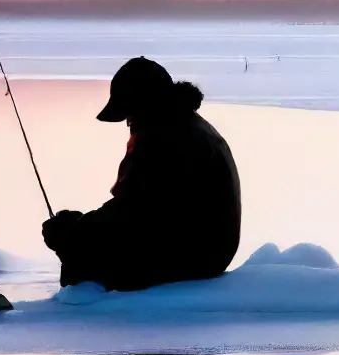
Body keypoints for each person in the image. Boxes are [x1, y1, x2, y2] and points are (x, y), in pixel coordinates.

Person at [41, 57, 241, 291]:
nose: (129, 122)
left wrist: (75, 232)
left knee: (80, 256)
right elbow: (142, 207)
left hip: (193, 257)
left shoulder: (164, 138)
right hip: (204, 249)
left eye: (130, 114)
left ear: (143, 106)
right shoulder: (185, 125)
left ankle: (81, 308)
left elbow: (132, 210)